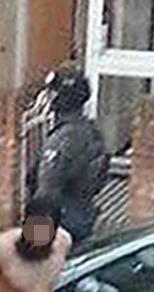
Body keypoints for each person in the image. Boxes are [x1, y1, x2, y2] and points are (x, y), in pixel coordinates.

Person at [30, 70, 109, 245]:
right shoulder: (90, 131)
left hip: (60, 225)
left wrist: (35, 240)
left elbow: (47, 190)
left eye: (50, 93)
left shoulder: (63, 139)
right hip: (81, 216)